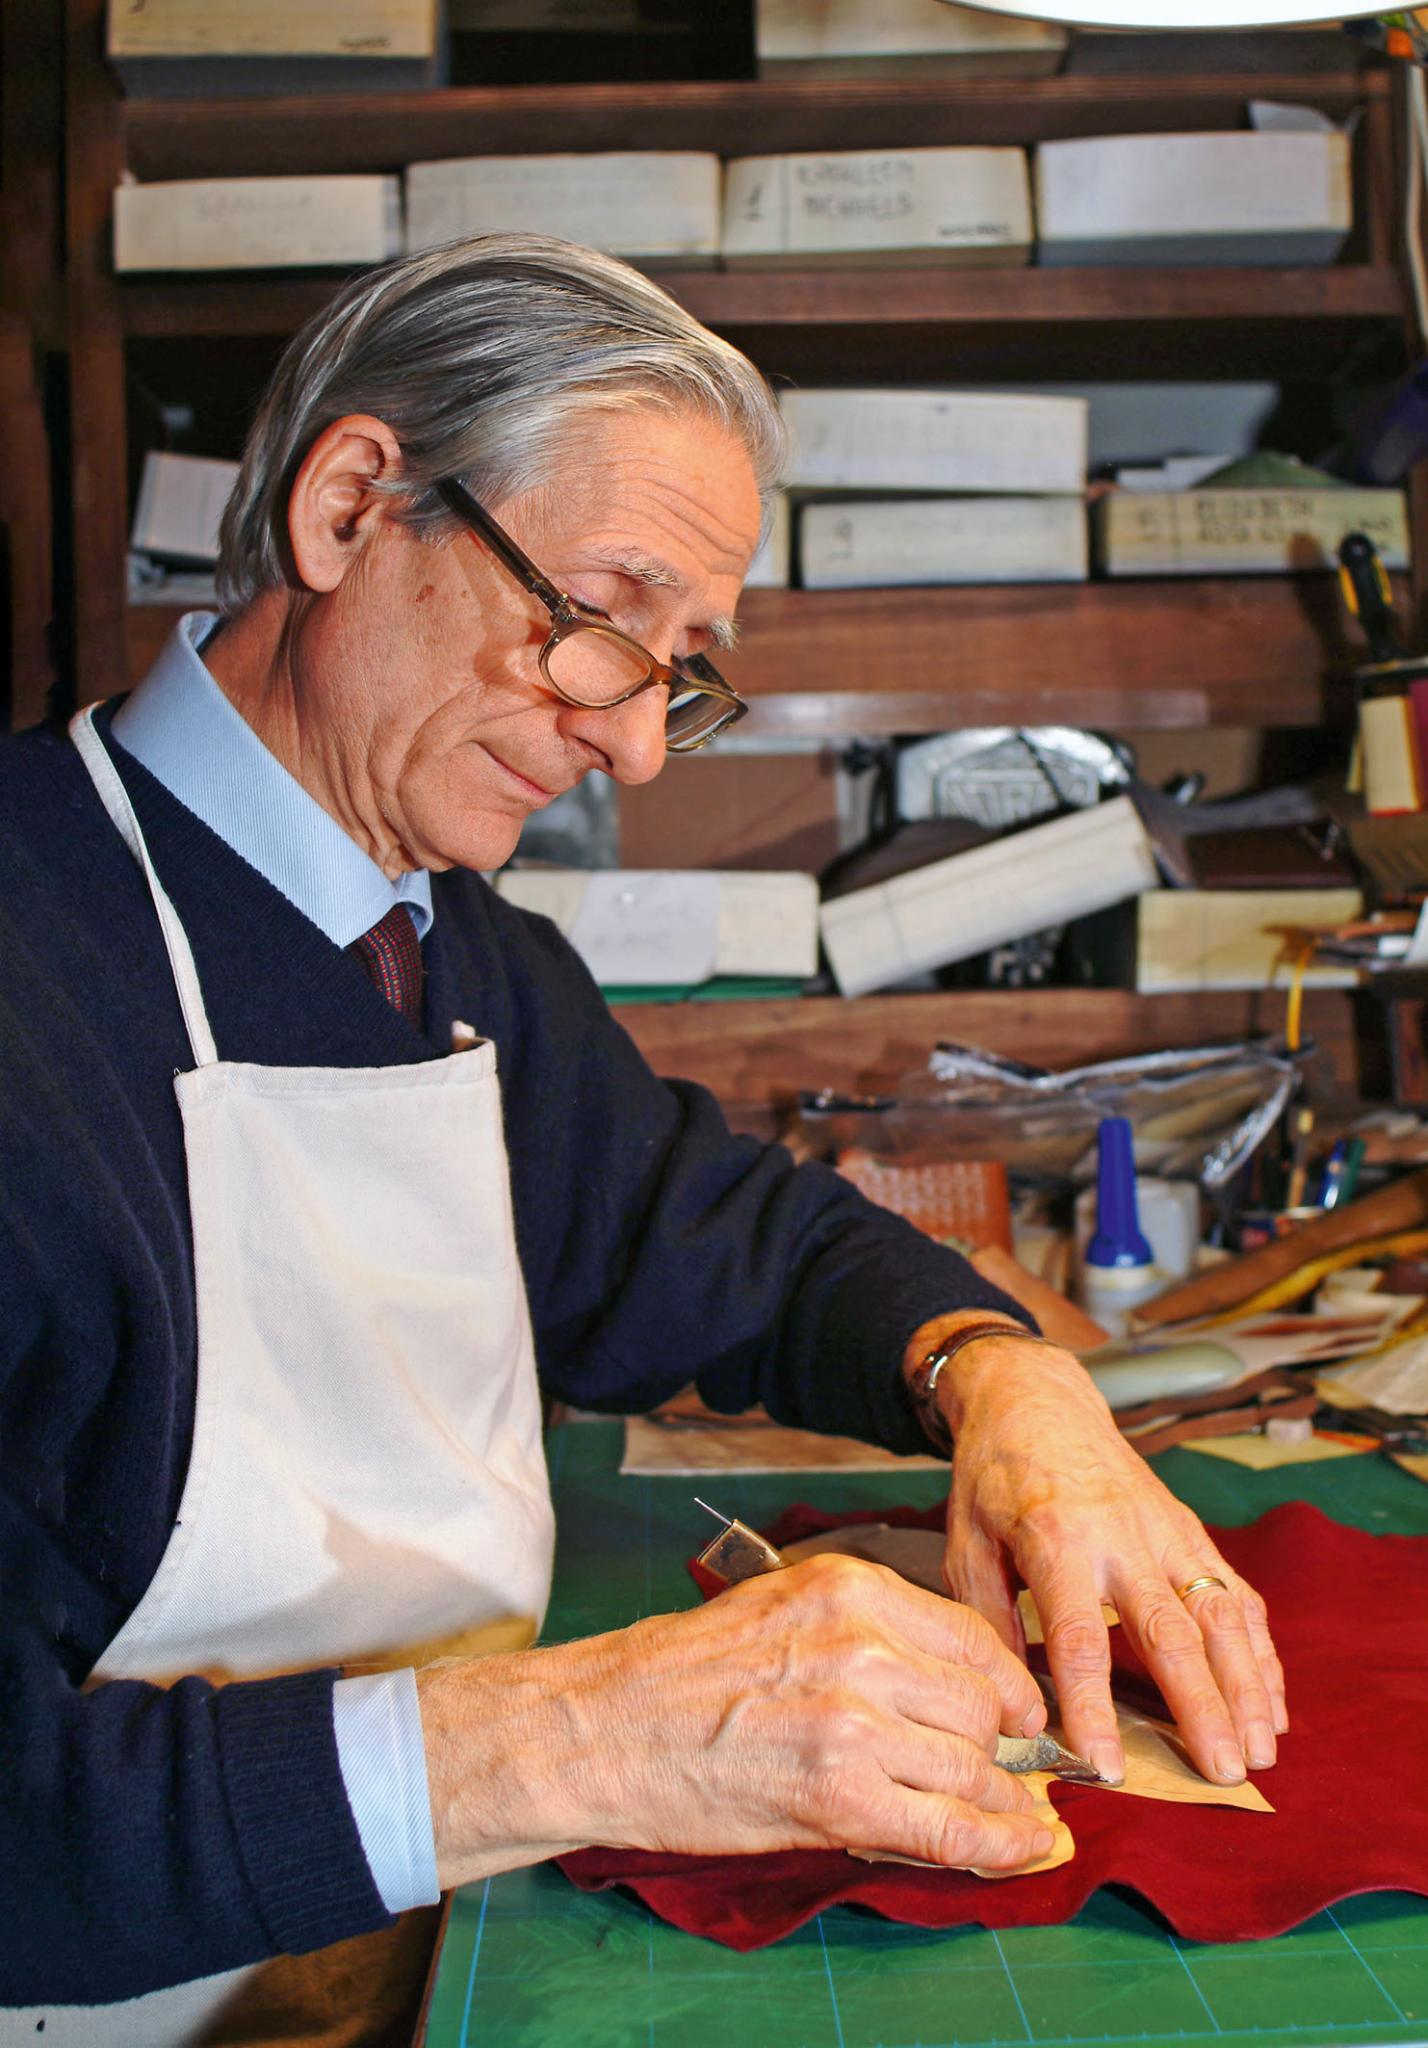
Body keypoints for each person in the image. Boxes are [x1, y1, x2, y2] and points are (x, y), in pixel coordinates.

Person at [0, 235, 1284, 2039]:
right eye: (604, 618)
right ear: (352, 507)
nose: (635, 746)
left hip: (408, 1955)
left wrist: (1003, 1381)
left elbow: (726, 1241)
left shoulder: (455, 954)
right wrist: (593, 1737)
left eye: (679, 668)